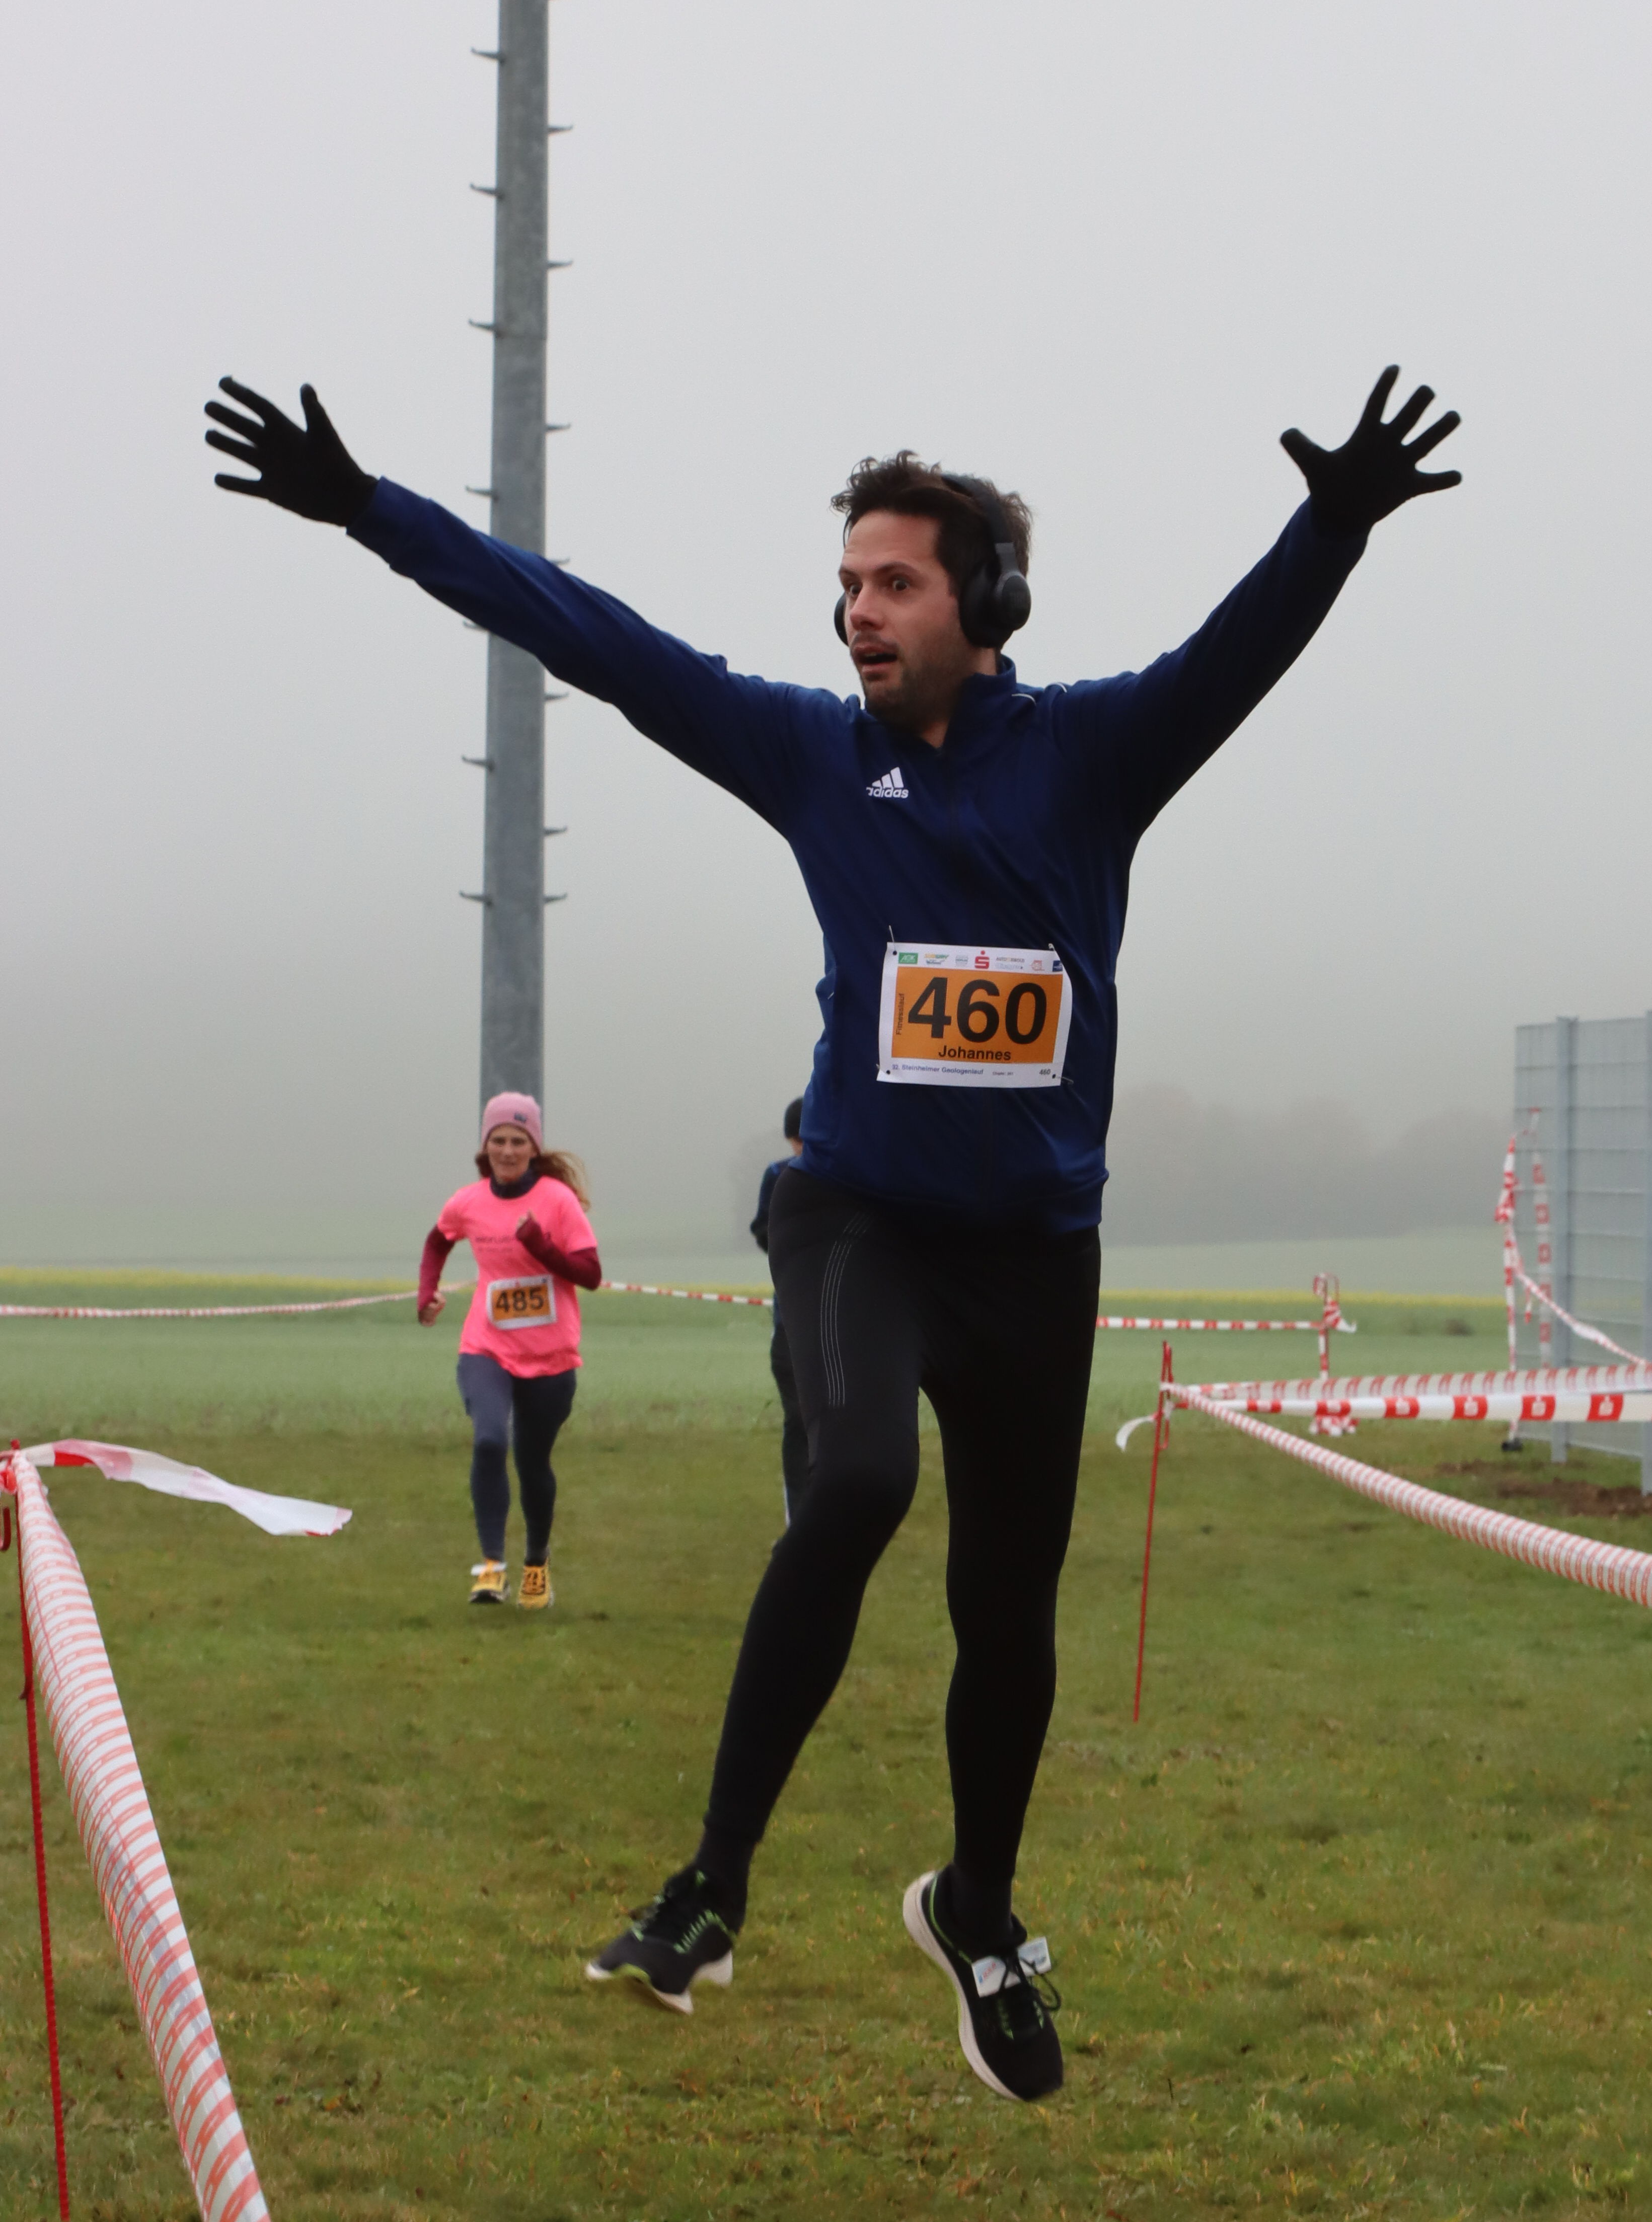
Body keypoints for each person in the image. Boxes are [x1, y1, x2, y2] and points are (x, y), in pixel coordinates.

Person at [206, 365, 1461, 2095]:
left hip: (1033, 1257)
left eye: (895, 583)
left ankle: (978, 1911)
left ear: (986, 604)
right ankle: (709, 1887)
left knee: (1006, 1610)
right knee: (859, 1480)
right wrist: (368, 510)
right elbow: (591, 637)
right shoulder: (812, 755)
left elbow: (1236, 656)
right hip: (857, 1219)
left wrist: (1331, 525)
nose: (857, 612)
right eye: (847, 584)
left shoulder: (1093, 758)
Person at [417, 1092, 602, 1609]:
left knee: (532, 1461)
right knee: (489, 1441)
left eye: (518, 1141)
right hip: (487, 1347)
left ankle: (536, 1564)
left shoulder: (557, 1201)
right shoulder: (469, 1202)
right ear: (486, 1146)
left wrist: (542, 1247)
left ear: (533, 1147)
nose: (507, 1150)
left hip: (550, 1355)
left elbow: (590, 1274)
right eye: (498, 1140)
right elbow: (438, 1240)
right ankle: (491, 1567)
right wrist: (427, 1291)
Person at [750, 1097, 808, 1524]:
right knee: (799, 1419)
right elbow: (763, 1229)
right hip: (791, 1321)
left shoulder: (846, 1172)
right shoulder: (778, 1174)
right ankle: (799, 1521)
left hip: (828, 1322)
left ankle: (822, 1515)